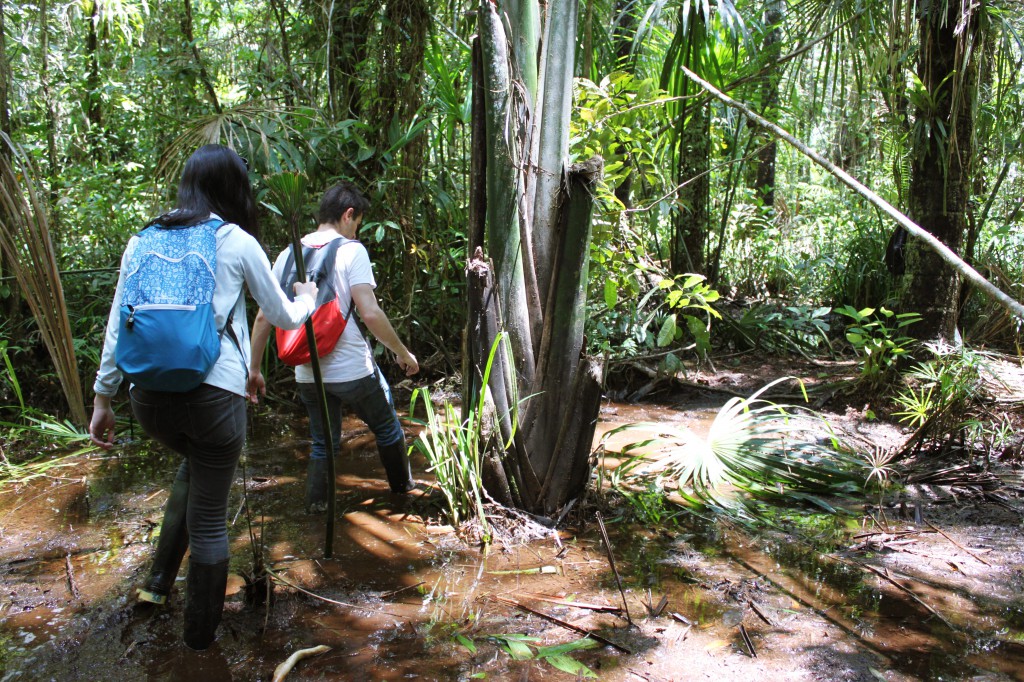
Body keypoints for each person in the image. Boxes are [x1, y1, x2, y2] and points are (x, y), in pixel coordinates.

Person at [88, 144, 319, 651]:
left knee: (194, 465)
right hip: (213, 400)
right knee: (211, 515)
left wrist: (103, 399)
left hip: (147, 401)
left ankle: (156, 586)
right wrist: (307, 300)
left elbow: (115, 326)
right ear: (233, 189)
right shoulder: (234, 239)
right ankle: (198, 645)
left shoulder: (142, 240)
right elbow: (280, 316)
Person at [248, 181, 419, 513]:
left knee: (322, 445)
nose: (356, 232)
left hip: (307, 373)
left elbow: (262, 319)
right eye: (357, 224)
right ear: (348, 215)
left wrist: (254, 369)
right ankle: (403, 495)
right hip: (352, 369)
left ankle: (317, 514)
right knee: (386, 428)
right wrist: (401, 351)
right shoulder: (351, 250)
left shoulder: (287, 254)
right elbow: (369, 312)